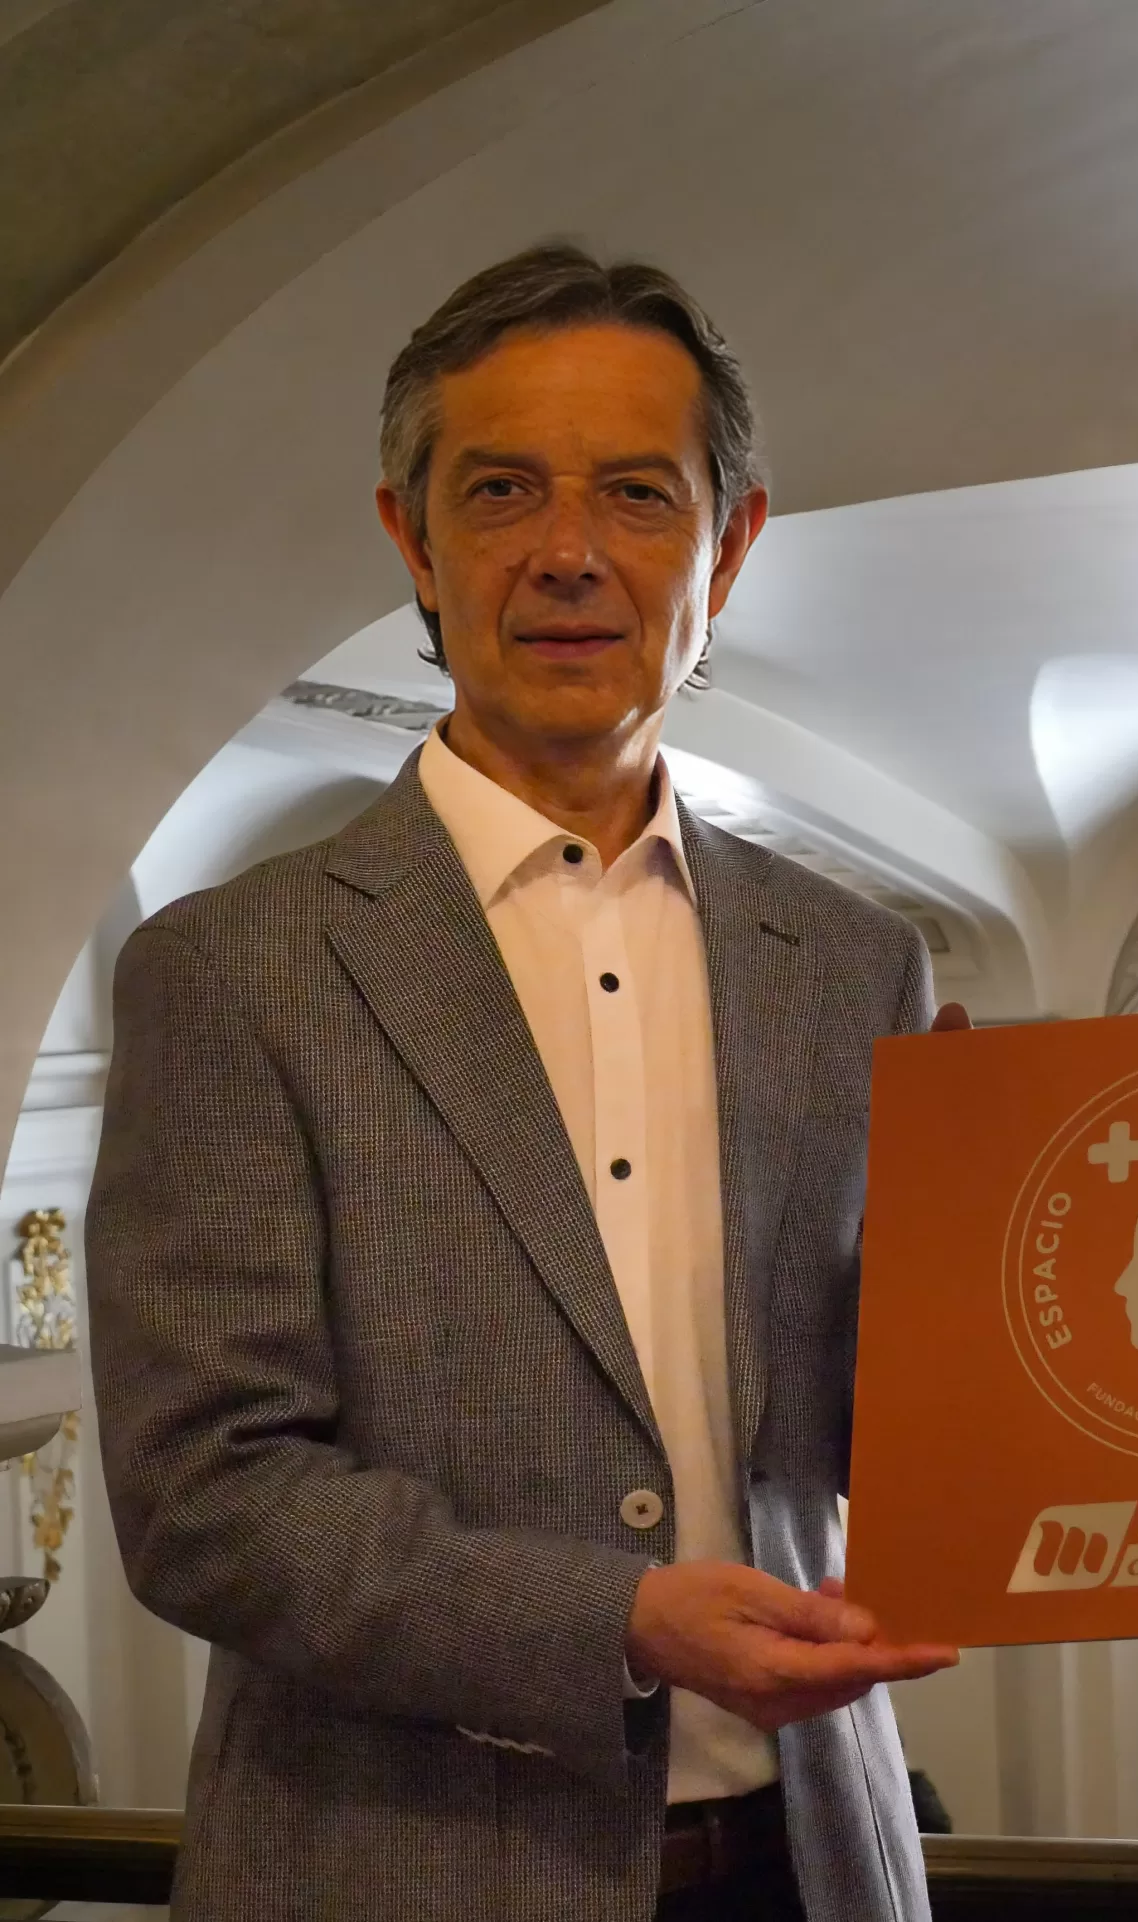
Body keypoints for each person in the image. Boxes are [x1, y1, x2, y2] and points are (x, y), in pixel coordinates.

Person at [87, 245, 960, 1922]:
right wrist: (612, 1618)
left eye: (637, 492)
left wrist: (1009, 1259)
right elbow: (206, 1496)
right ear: (413, 538)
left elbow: (889, 1428)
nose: (569, 551)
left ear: (730, 543)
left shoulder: (856, 964)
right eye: (501, 492)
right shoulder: (235, 968)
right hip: (401, 1872)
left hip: (810, 1866)